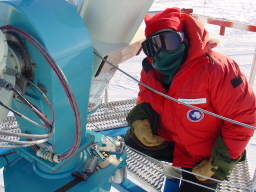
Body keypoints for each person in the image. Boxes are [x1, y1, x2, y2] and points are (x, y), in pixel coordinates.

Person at [124, 7, 256, 192]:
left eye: (168, 41)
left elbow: (243, 118)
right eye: (153, 46)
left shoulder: (218, 70)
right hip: (172, 140)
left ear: (184, 38)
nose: (162, 52)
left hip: (205, 154)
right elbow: (146, 99)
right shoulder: (152, 70)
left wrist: (218, 164)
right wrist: (139, 121)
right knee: (130, 141)